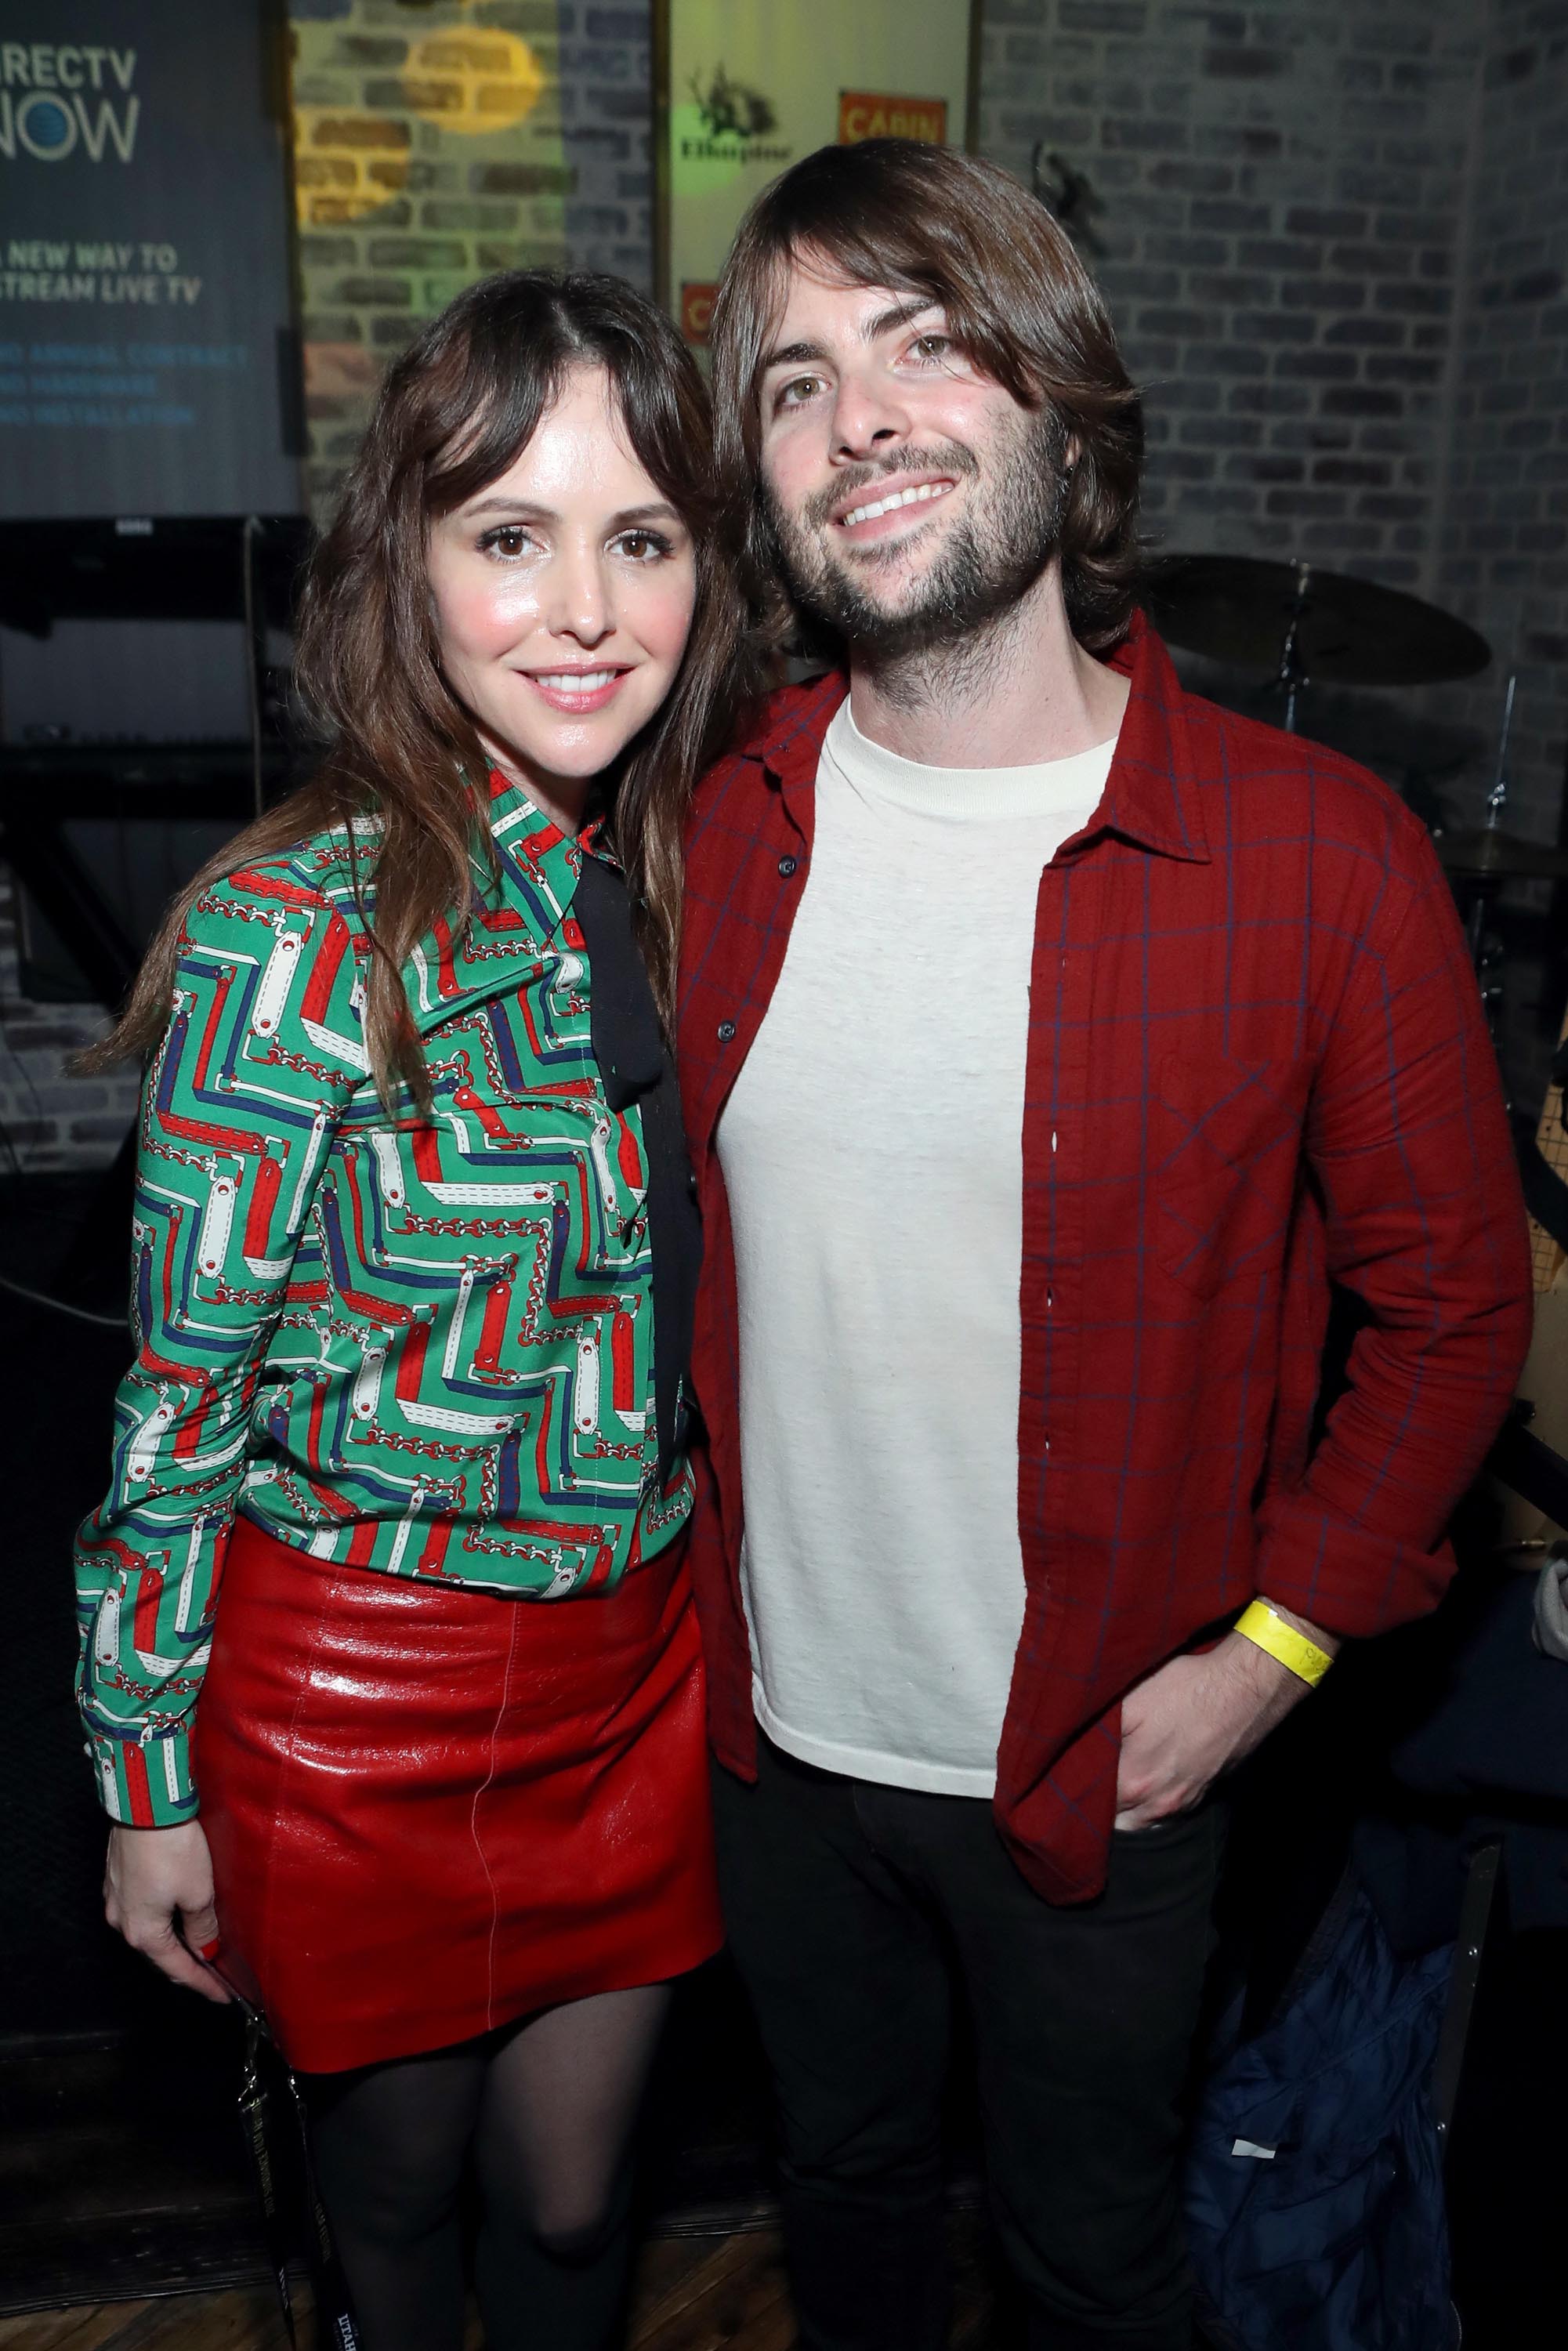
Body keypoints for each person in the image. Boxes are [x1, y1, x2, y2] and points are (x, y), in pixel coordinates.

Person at [675, 139, 1535, 2351]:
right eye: (790, 382)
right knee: (845, 2198)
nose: (854, 420)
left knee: (1087, 2259)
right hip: (777, 1747)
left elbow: (1448, 1318)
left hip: (1105, 1753)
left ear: (1059, 396)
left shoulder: (1316, 856)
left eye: (922, 343)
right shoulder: (712, 833)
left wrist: (1271, 1659)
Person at [74, 270, 751, 2351]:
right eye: (507, 537)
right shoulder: (296, 932)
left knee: (568, 2216)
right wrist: (141, 1783)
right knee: (391, 2204)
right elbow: (174, 1412)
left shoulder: (670, 875)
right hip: (358, 1703)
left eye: (640, 537)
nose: (582, 608)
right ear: (410, 569)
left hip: (628, 1676)